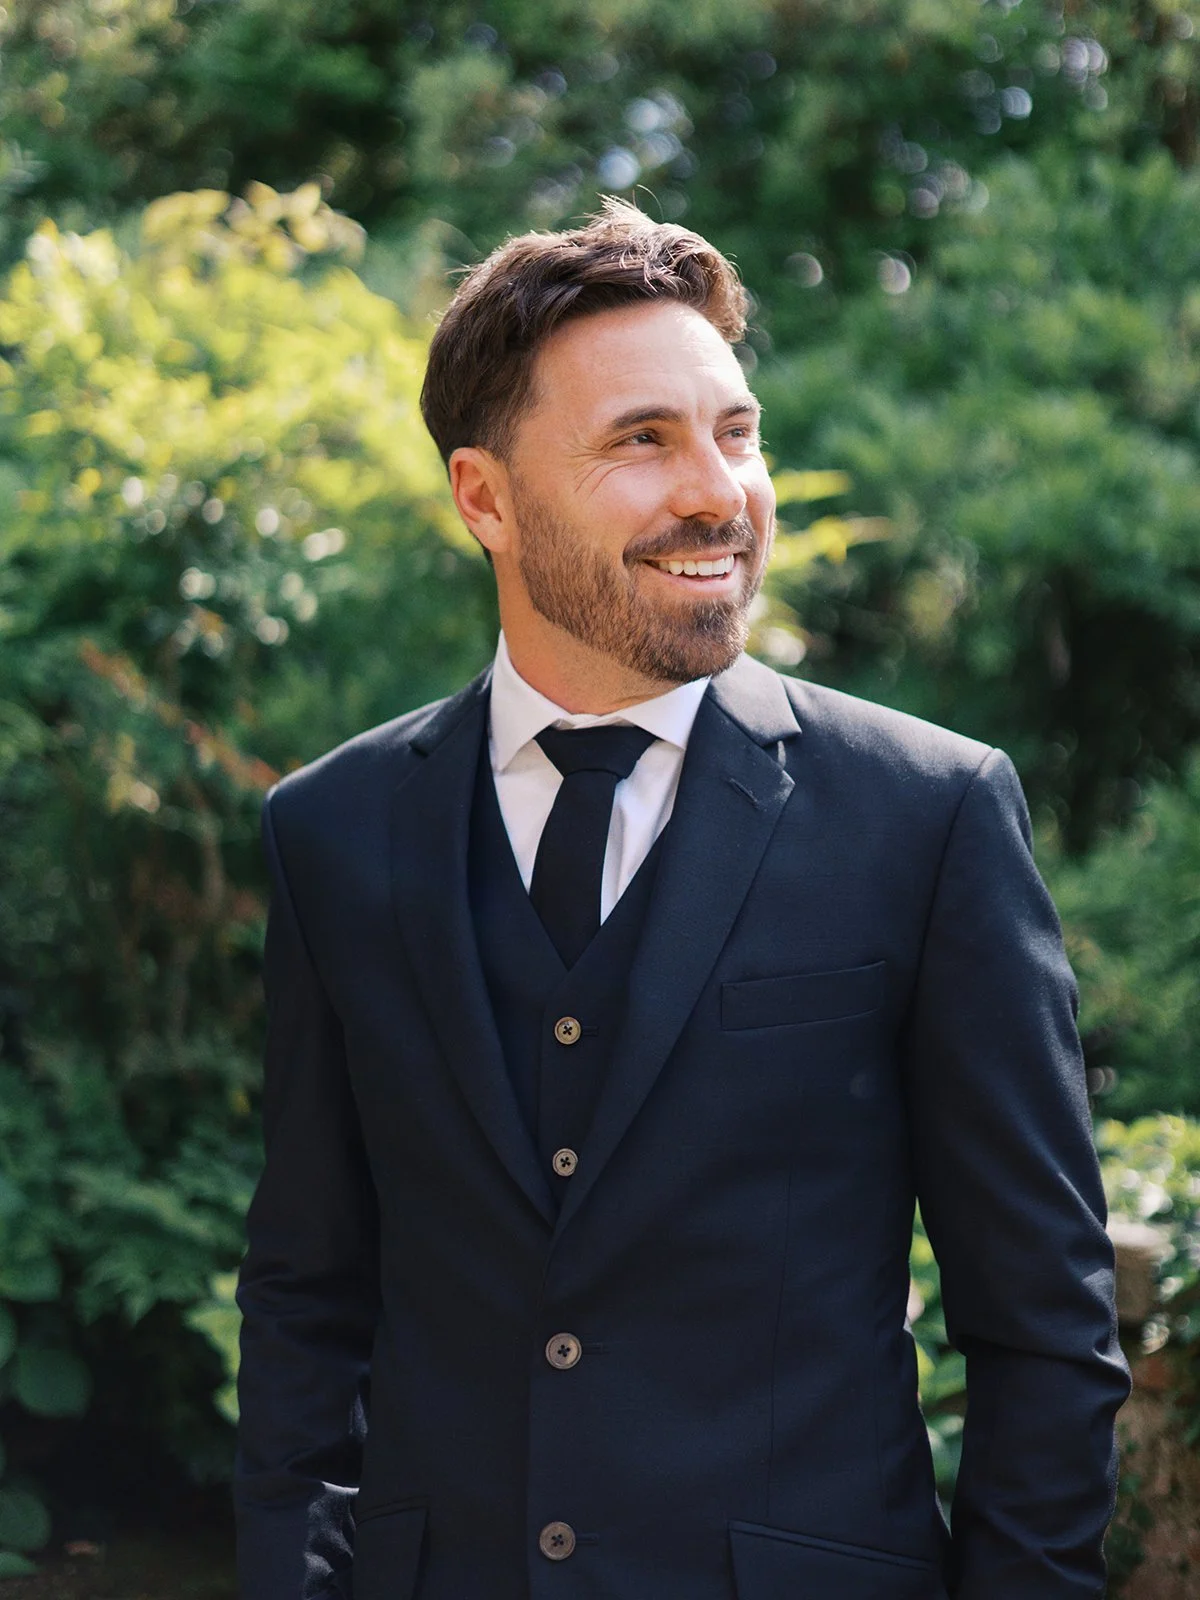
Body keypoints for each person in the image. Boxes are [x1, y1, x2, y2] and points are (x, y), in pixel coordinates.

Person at [234, 200, 1130, 1600]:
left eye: (737, 430)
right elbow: (307, 1293)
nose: (719, 492)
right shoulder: (332, 833)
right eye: (641, 441)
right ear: (484, 498)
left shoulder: (928, 815)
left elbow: (1047, 1330)